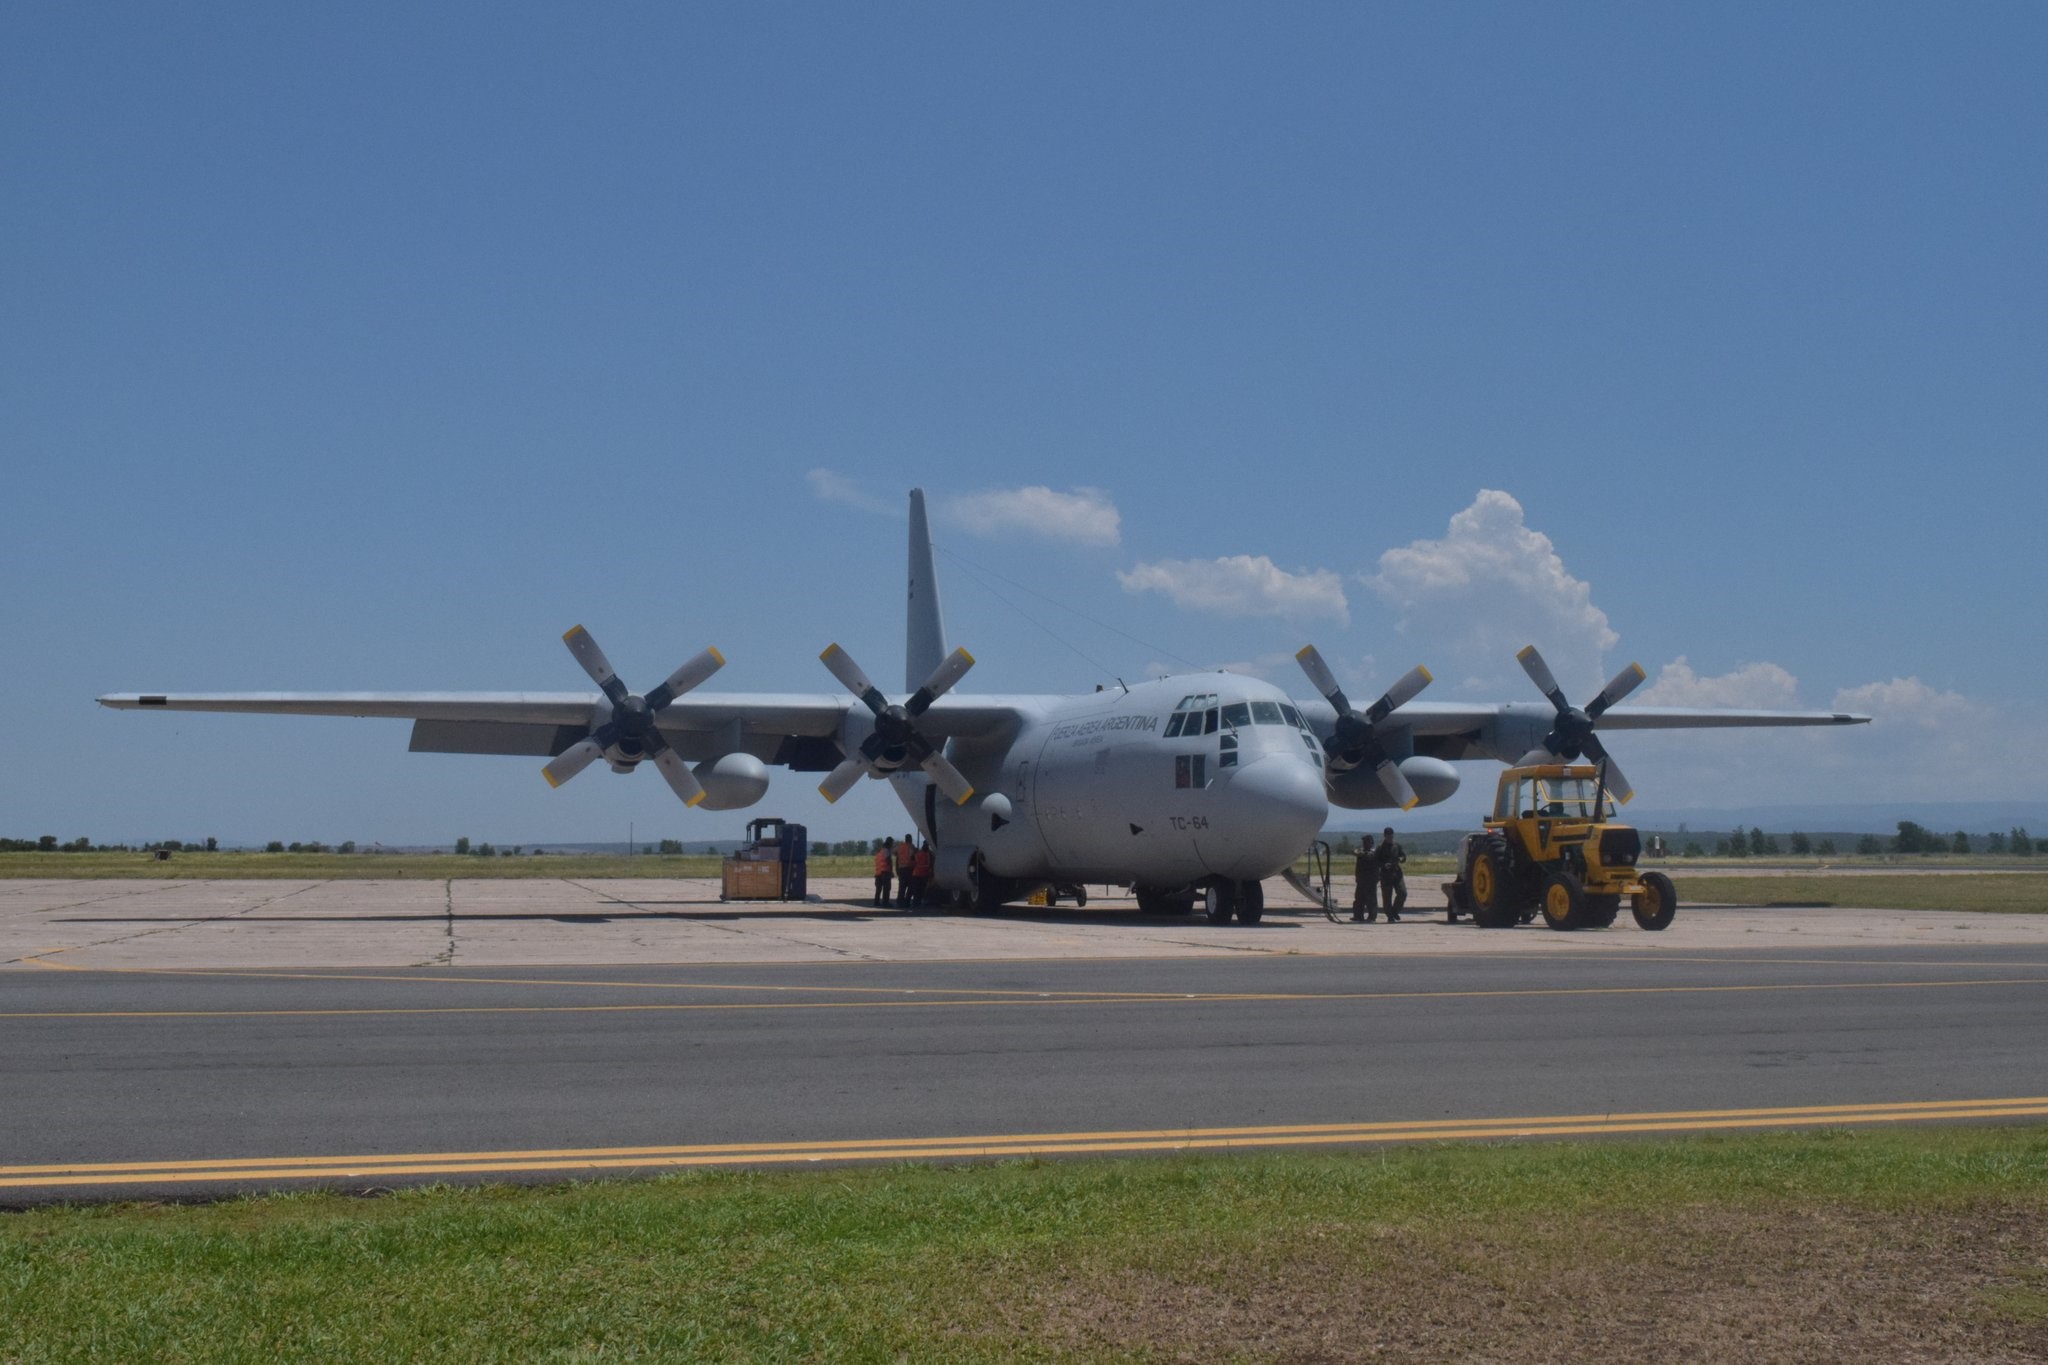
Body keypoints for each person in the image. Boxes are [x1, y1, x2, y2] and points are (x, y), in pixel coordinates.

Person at [1376, 826, 1408, 922]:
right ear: (1384, 836)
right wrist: (1383, 865)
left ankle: (1395, 911)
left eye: (1391, 836)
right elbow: (1376, 861)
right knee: (1387, 897)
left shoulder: (1397, 846)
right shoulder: (1380, 847)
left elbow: (1403, 856)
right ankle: (1390, 915)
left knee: (1403, 893)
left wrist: (1401, 859)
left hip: (1396, 873)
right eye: (1388, 836)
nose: (1390, 838)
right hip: (1386, 875)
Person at [1350, 833, 1379, 922]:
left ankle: (1372, 917)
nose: (1364, 844)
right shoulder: (1362, 851)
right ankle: (1358, 915)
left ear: (1371, 842)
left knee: (1371, 899)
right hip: (1361, 879)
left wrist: (1359, 853)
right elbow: (1355, 852)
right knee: (1359, 898)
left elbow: (1368, 856)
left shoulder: (1374, 851)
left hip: (1370, 879)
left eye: (1366, 842)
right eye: (1364, 842)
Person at [910, 840, 935, 908]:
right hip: (922, 875)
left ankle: (916, 903)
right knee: (921, 890)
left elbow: (912, 860)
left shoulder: (918, 853)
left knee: (917, 890)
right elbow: (930, 864)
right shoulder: (929, 854)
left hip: (917, 874)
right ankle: (918, 903)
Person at [894, 833, 916, 907]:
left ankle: (900, 901)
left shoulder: (900, 846)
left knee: (902, 887)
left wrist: (897, 868)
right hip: (909, 869)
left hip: (901, 869)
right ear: (910, 839)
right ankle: (907, 901)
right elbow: (913, 857)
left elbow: (896, 855)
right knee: (911, 886)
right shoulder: (911, 847)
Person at [872, 838, 894, 908]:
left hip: (878, 873)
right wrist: (891, 871)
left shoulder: (879, 852)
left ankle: (876, 901)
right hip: (885, 872)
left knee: (878, 888)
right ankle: (885, 902)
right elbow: (888, 861)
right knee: (886, 888)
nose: (892, 845)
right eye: (891, 843)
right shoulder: (886, 851)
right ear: (889, 843)